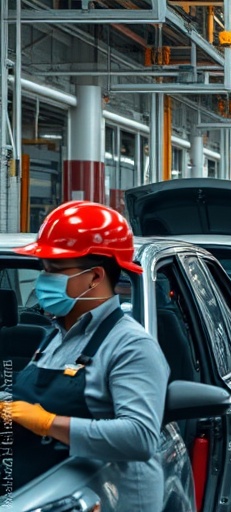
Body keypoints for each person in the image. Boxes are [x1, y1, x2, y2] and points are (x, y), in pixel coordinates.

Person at [6, 201, 169, 508]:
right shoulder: (56, 336)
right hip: (50, 493)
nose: (43, 279)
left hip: (111, 499)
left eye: (53, 270)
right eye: (43, 268)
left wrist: (47, 422)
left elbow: (140, 436)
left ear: (95, 277)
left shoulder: (131, 345)